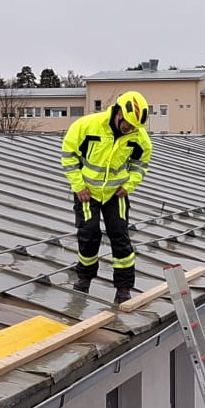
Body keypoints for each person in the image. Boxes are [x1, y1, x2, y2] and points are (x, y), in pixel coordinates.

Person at [60, 90, 153, 303]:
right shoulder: (88, 125)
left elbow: (141, 164)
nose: (130, 129)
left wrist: (129, 185)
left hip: (116, 193)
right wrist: (78, 185)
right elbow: (68, 153)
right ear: (118, 112)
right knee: (89, 234)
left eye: (134, 126)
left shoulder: (138, 136)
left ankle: (124, 287)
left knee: (120, 237)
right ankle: (84, 278)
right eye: (127, 124)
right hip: (87, 191)